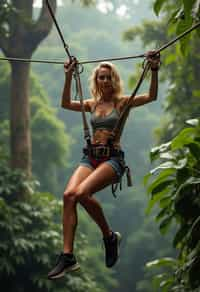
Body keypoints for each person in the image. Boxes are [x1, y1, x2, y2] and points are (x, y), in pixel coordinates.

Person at [48, 51, 160, 279]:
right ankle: (67, 256)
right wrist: (69, 75)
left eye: (109, 77)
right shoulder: (91, 104)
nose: (106, 80)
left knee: (81, 193)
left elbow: (151, 96)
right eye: (101, 77)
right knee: (69, 195)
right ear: (96, 80)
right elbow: (65, 103)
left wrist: (154, 70)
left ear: (114, 80)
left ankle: (109, 237)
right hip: (90, 157)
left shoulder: (122, 103)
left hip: (112, 158)